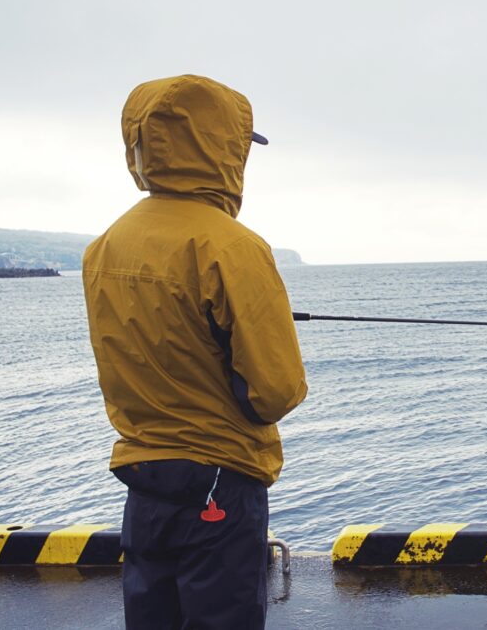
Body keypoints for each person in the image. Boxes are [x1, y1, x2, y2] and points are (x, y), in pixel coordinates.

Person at [82, 74, 308, 629]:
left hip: (144, 480)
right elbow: (275, 391)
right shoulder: (233, 247)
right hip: (220, 482)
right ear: (220, 148)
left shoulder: (104, 246)